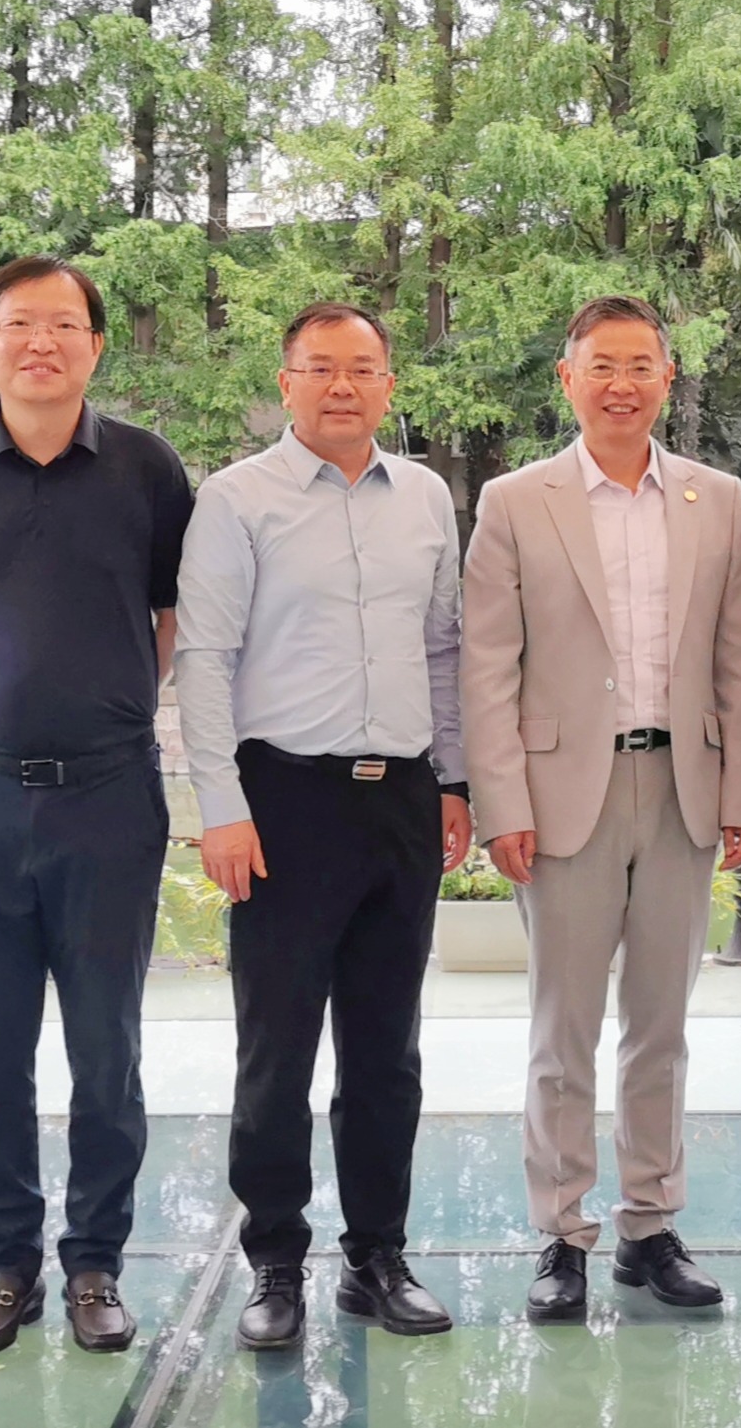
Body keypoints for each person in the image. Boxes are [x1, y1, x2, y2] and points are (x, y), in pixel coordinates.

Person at [0, 256, 194, 1357]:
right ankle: (6, 1262)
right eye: (19, 324)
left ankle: (96, 1261)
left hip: (109, 795)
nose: (42, 343)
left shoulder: (147, 467)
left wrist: (117, 699)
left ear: (95, 345)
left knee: (106, 1044)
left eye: (65, 324)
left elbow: (173, 611)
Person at [174, 302, 471, 1351]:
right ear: (286, 381)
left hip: (400, 797)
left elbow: (442, 648)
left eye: (361, 368)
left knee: (386, 1050)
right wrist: (221, 806)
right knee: (277, 1046)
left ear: (388, 384)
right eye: (319, 368)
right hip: (283, 801)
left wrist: (452, 779)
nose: (341, 386)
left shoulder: (425, 497)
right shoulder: (235, 498)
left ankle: (376, 1254)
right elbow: (203, 657)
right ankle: (273, 1259)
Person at [462, 295, 741, 1321]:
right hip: (559, 798)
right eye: (602, 365)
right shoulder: (515, 500)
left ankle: (649, 1223)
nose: (621, 384)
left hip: (679, 788)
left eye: (640, 365)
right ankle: (560, 1231)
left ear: (667, 378)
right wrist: (501, 799)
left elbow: (737, 655)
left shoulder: (716, 499)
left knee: (661, 1025)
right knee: (564, 1028)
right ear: (568, 377)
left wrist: (739, 790)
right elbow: (487, 665)